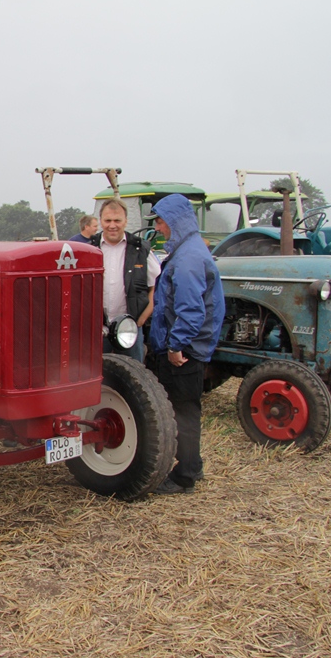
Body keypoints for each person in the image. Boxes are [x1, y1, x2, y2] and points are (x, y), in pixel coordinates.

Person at [146, 193, 225, 495]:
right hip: (191, 345)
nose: (159, 228)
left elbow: (191, 310)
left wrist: (176, 346)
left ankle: (185, 476)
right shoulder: (189, 249)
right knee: (186, 408)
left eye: (161, 221)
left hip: (186, 350)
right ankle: (194, 464)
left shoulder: (188, 259)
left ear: (175, 221)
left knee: (183, 411)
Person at [89, 199, 161, 362]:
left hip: (130, 329)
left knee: (133, 372)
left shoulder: (141, 250)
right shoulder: (89, 249)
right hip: (97, 329)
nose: (112, 225)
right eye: (108, 220)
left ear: (125, 221)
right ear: (101, 221)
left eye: (117, 220)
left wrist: (141, 320)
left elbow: (155, 288)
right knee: (96, 372)